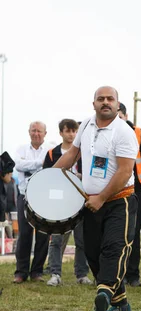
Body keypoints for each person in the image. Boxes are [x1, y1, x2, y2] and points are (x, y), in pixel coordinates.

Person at [53, 86, 138, 311]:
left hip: (119, 201)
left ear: (118, 104)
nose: (105, 102)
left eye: (110, 99)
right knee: (92, 251)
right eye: (100, 99)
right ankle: (120, 302)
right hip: (90, 202)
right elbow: (72, 154)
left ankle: (104, 292)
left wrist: (102, 197)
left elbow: (124, 171)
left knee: (114, 247)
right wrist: (49, 178)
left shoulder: (124, 132)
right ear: (94, 104)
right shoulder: (87, 125)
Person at [43, 119, 92, 286]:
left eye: (74, 131)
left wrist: (81, 178)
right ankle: (55, 273)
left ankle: (82, 274)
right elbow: (46, 177)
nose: (71, 134)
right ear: (61, 133)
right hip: (59, 202)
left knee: (82, 240)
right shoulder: (52, 153)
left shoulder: (85, 152)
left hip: (79, 200)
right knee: (56, 239)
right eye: (68, 131)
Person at [118, 103, 141, 287]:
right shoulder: (105, 134)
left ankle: (133, 275)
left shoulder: (139, 133)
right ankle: (116, 274)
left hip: (136, 191)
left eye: (120, 115)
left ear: (125, 115)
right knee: (115, 235)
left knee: (134, 233)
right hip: (113, 189)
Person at [13, 121, 50, 284]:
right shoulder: (21, 149)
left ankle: (37, 271)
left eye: (39, 131)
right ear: (29, 132)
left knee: (43, 234)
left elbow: (48, 167)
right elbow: (19, 166)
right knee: (24, 234)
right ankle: (21, 272)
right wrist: (38, 164)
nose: (36, 134)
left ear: (45, 133)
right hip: (24, 195)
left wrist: (30, 167)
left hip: (43, 196)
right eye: (33, 131)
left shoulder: (50, 149)